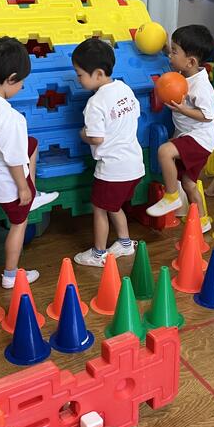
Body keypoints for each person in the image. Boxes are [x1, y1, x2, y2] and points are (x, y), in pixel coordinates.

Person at [0, 37, 58, 288]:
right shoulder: (10, 119)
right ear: (10, 79)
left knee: (31, 144)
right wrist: (23, 188)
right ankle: (10, 275)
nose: (22, 86)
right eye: (21, 81)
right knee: (19, 224)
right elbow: (14, 161)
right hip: (5, 182)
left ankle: (33, 192)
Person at [71, 38, 144, 267]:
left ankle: (98, 253)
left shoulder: (95, 103)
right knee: (114, 205)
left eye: (80, 74)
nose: (78, 79)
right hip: (134, 165)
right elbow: (135, 115)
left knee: (100, 209)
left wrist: (83, 134)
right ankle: (124, 243)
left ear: (99, 74)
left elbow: (96, 137)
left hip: (112, 169)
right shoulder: (124, 88)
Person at [146, 25, 214, 231]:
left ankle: (171, 196)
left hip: (200, 138)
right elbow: (173, 57)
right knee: (189, 183)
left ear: (191, 61)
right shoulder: (184, 72)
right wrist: (163, 47)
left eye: (174, 51)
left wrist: (182, 109)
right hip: (191, 136)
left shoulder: (201, 86)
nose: (170, 55)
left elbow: (207, 116)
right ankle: (203, 221)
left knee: (164, 151)